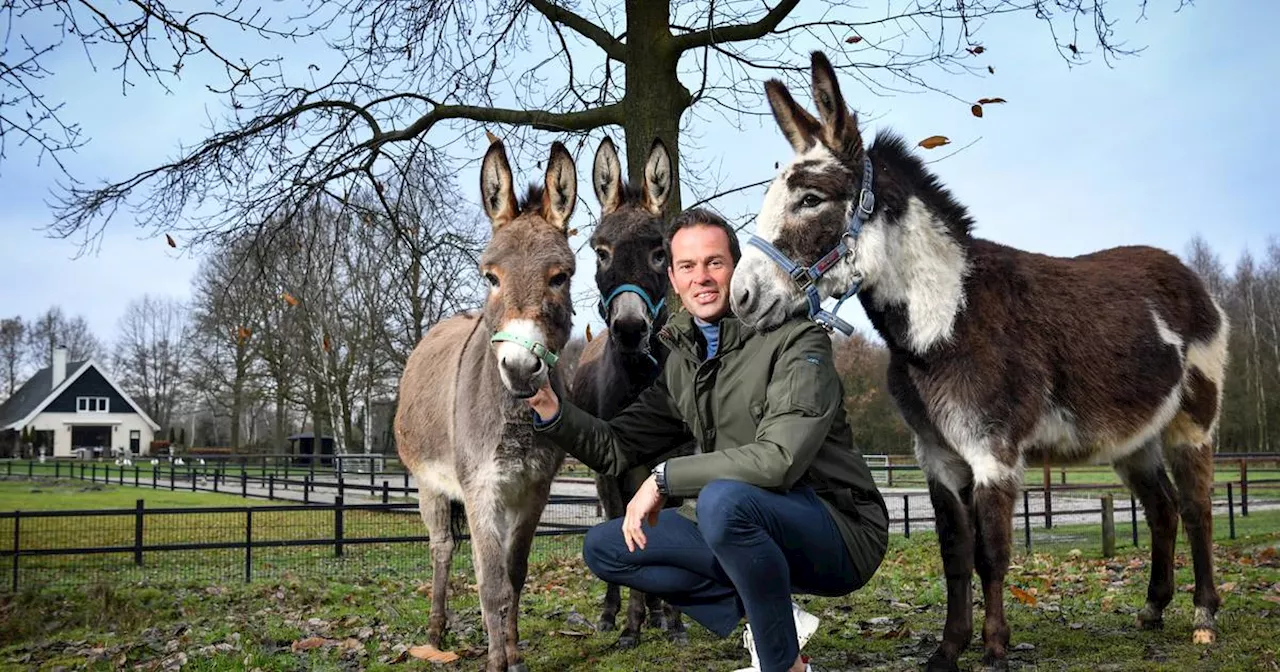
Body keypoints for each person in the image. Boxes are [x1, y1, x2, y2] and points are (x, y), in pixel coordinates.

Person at [526, 208, 889, 672]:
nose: (702, 278)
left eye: (714, 263)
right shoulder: (683, 361)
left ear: (737, 268)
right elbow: (616, 444)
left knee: (720, 501)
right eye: (687, 266)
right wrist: (553, 411)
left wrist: (663, 479)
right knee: (607, 547)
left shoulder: (796, 341)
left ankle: (779, 664)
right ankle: (774, 622)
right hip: (743, 525)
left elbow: (778, 460)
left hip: (838, 529)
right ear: (673, 280)